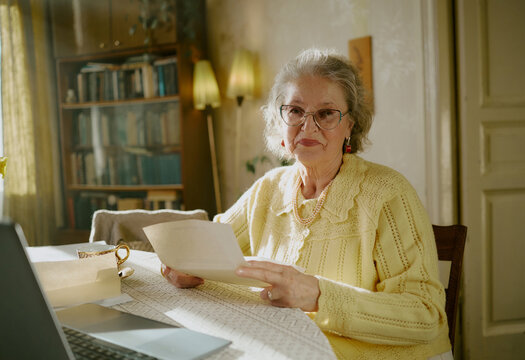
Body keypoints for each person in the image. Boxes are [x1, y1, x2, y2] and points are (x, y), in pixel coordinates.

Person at [161, 48, 452, 359]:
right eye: (296, 111)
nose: (308, 127)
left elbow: (426, 314)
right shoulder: (269, 188)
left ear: (350, 125)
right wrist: (187, 264)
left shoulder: (387, 193)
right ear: (281, 120)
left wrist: (317, 295)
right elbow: (206, 245)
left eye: (326, 113)